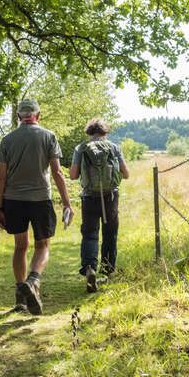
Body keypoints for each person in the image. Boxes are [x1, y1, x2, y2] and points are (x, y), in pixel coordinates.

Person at [0, 98, 73, 315]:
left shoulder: (8, 140)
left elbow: (1, 177)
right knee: (42, 246)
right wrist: (67, 203)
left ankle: (21, 296)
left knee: (21, 247)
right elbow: (57, 172)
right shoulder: (48, 136)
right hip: (40, 199)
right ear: (38, 115)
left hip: (13, 200)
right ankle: (33, 280)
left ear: (19, 116)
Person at [69, 118, 129, 293]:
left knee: (89, 234)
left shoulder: (81, 148)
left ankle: (90, 268)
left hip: (89, 197)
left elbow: (73, 175)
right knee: (110, 233)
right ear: (105, 133)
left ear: (89, 133)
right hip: (110, 197)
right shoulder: (114, 148)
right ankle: (107, 270)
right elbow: (126, 174)